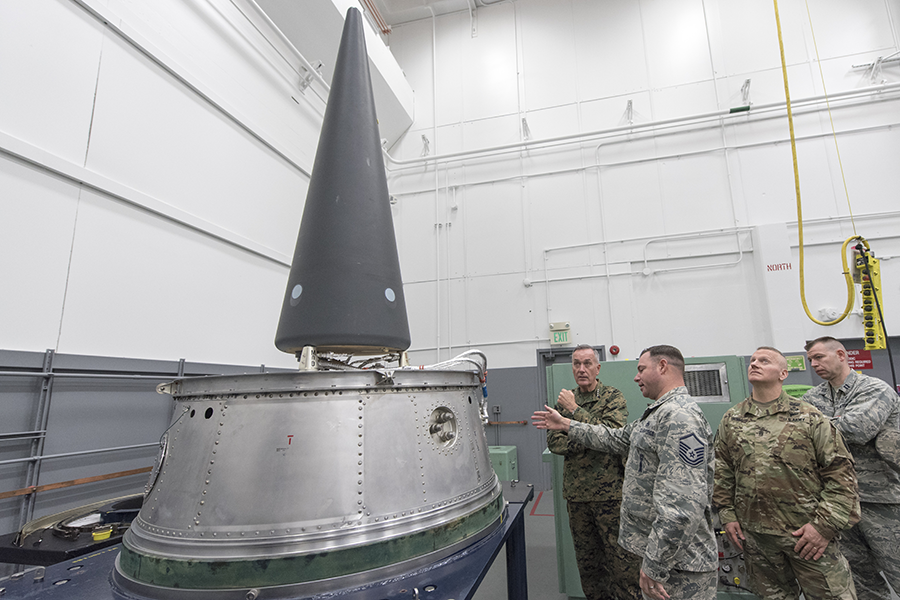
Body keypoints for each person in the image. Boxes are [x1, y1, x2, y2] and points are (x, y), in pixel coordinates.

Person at [533, 345, 718, 600]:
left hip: (678, 564)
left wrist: (654, 564)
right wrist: (565, 423)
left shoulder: (679, 418)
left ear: (662, 366)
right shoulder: (656, 414)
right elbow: (615, 438)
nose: (636, 376)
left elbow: (682, 507)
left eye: (641, 369)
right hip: (662, 556)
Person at [713, 346, 860, 600]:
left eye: (764, 361)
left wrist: (823, 527)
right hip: (757, 539)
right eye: (753, 360)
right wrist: (727, 514)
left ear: (783, 374)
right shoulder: (732, 419)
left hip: (807, 535)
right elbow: (723, 471)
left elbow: (840, 474)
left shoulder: (809, 417)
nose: (755, 364)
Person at [802, 336, 900, 600]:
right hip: (840, 504)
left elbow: (858, 429)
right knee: (860, 578)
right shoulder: (813, 396)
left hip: (881, 501)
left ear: (842, 355)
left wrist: (816, 427)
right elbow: (800, 438)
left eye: (819, 357)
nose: (814, 364)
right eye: (811, 359)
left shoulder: (874, 389)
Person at [548, 344, 642, 600]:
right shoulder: (562, 402)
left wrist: (575, 414)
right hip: (578, 497)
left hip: (611, 496)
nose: (581, 369)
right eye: (577, 363)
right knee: (589, 566)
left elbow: (613, 437)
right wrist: (593, 440)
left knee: (622, 564)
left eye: (587, 363)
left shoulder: (612, 397)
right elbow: (555, 443)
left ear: (597, 367)